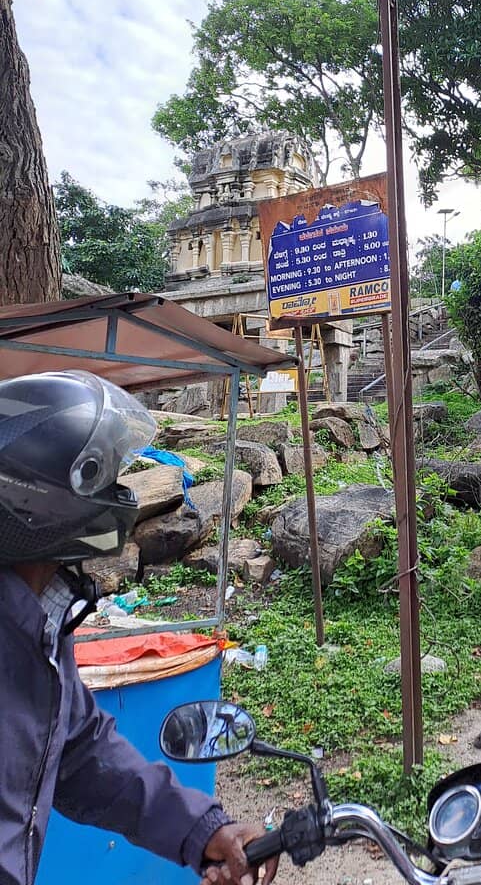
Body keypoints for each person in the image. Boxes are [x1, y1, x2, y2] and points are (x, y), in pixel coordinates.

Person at [0, 369, 278, 885]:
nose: (119, 494)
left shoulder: (42, 621)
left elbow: (83, 754)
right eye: (101, 476)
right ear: (38, 500)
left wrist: (199, 829)